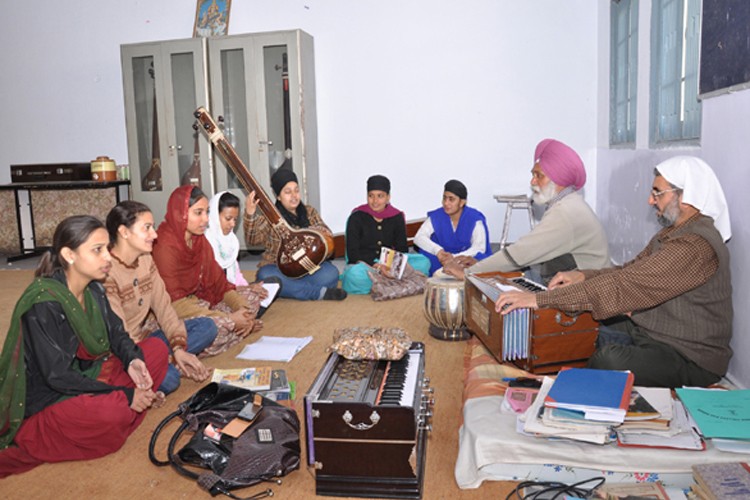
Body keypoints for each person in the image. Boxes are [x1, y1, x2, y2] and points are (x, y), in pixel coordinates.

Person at [495, 156, 733, 388]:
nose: (651, 201)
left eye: (657, 193)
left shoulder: (693, 247)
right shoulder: (673, 234)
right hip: (652, 332)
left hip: (688, 355)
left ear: (685, 197)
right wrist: (583, 275)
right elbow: (627, 272)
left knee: (608, 358)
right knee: (583, 320)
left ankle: (565, 391)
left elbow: (623, 287)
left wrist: (538, 300)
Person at [0, 215, 169, 478]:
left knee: (156, 350)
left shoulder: (94, 291)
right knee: (112, 411)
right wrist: (123, 395)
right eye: (97, 250)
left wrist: (133, 361)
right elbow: (57, 377)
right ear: (69, 254)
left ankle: (123, 411)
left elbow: (117, 334)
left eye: (106, 249)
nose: (107, 258)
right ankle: (121, 412)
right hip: (50, 398)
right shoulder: (43, 305)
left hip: (89, 374)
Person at [444, 139, 610, 284]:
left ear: (558, 180)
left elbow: (521, 254)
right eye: (533, 174)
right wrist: (480, 264)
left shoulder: (565, 212)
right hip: (577, 281)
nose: (532, 181)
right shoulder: (568, 203)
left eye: (539, 176)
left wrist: (469, 273)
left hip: (589, 295)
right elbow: (525, 253)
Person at [104, 200, 214, 394]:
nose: (154, 235)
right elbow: (117, 332)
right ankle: (167, 364)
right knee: (170, 381)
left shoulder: (146, 259)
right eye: (147, 228)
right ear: (124, 232)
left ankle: (169, 361)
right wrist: (158, 354)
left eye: (153, 227)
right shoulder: (106, 271)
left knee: (207, 327)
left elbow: (164, 307)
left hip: (147, 339)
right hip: (123, 350)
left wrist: (178, 348)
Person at [153, 185, 267, 356]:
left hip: (202, 302)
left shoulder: (199, 242)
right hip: (173, 312)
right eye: (198, 213)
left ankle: (239, 326)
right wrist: (229, 319)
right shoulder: (164, 246)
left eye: (206, 212)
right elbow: (174, 304)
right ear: (180, 213)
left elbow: (220, 284)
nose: (205, 219)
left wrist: (242, 310)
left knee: (250, 299)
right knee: (213, 329)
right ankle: (235, 330)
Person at [243, 168, 345, 301]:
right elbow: (252, 239)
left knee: (331, 273)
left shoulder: (309, 212)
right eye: (288, 192)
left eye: (296, 190)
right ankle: (317, 292)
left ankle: (292, 289)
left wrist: (314, 235)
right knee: (265, 275)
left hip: (309, 267)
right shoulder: (270, 218)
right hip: (280, 269)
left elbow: (326, 234)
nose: (294, 195)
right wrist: (250, 214)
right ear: (278, 196)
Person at [341, 174, 431, 294]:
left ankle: (381, 282)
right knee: (354, 275)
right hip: (366, 265)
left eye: (380, 196)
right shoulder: (356, 217)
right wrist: (377, 266)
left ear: (388, 197)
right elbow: (353, 254)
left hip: (390, 264)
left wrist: (391, 267)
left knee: (424, 262)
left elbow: (402, 249)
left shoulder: (396, 216)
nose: (375, 201)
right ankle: (392, 282)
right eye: (371, 196)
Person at [413, 179, 492, 276]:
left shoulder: (474, 218)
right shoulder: (437, 215)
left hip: (465, 260)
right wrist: (438, 251)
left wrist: (454, 258)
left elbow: (479, 247)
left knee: (478, 261)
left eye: (451, 199)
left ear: (462, 202)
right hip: (441, 260)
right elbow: (419, 237)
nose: (446, 203)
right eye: (444, 198)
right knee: (423, 261)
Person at [206, 191, 249, 287]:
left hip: (230, 290)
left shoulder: (231, 241)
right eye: (228, 218)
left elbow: (237, 275)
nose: (233, 224)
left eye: (235, 219)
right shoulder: (206, 241)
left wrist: (247, 287)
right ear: (215, 215)